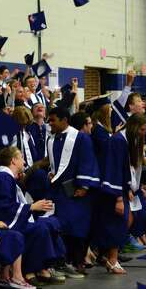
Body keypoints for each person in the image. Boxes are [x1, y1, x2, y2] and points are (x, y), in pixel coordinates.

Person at [45, 106, 100, 276]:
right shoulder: (51, 139)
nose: (50, 123)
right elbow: (52, 164)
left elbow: (87, 161)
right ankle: (65, 261)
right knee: (63, 226)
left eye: (53, 120)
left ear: (64, 120)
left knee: (78, 226)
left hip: (76, 191)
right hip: (59, 191)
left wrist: (84, 186)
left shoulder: (81, 138)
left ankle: (78, 260)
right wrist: (50, 173)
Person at [97, 114, 146, 274]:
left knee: (126, 220)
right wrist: (119, 197)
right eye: (141, 129)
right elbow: (114, 169)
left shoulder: (126, 140)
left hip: (121, 189)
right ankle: (112, 259)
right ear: (133, 127)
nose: (143, 133)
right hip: (113, 192)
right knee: (119, 222)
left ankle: (109, 256)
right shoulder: (118, 141)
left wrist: (128, 190)